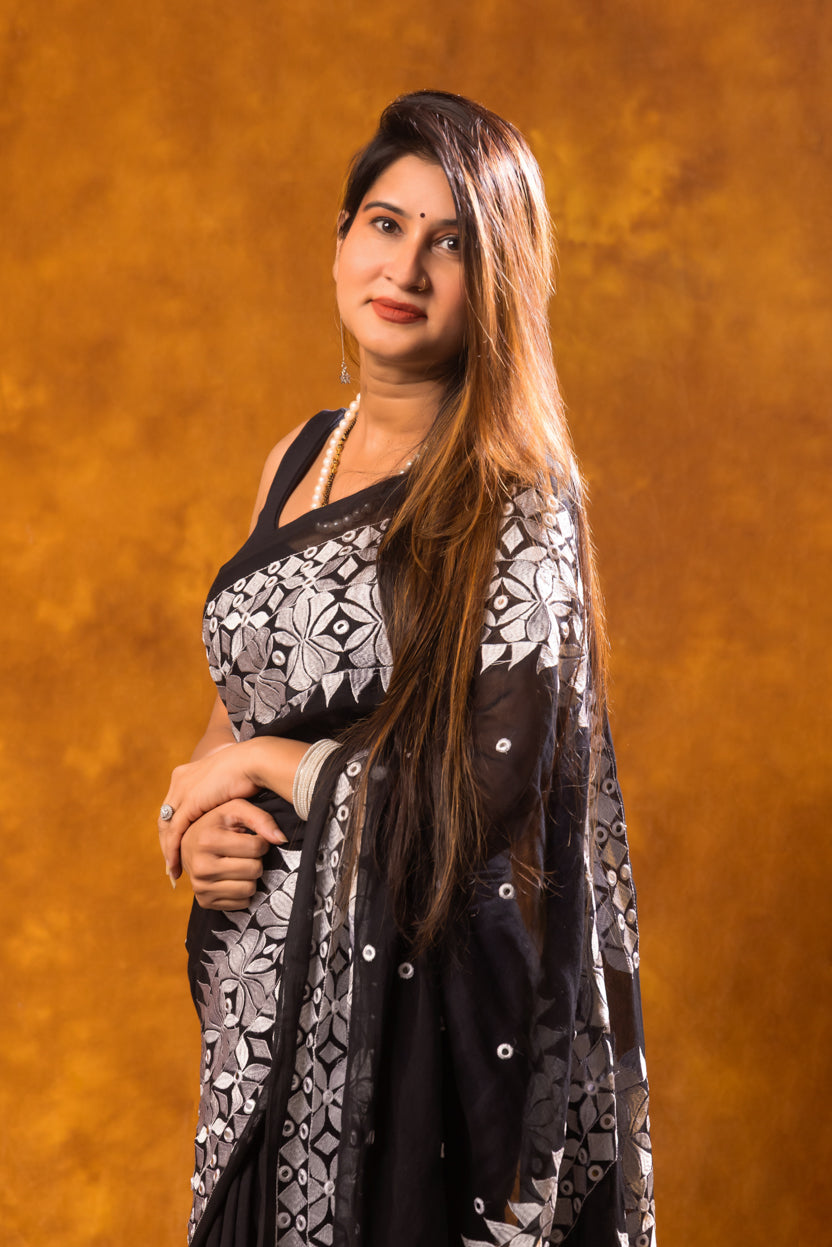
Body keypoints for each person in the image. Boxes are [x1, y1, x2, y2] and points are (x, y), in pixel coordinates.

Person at [158, 90, 656, 1247]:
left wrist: (271, 767)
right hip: (261, 1018)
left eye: (452, 244)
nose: (407, 267)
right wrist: (192, 816)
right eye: (386, 225)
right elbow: (237, 704)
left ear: (500, 282)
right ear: (340, 239)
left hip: (425, 1040)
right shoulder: (298, 455)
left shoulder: (515, 498)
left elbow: (486, 795)